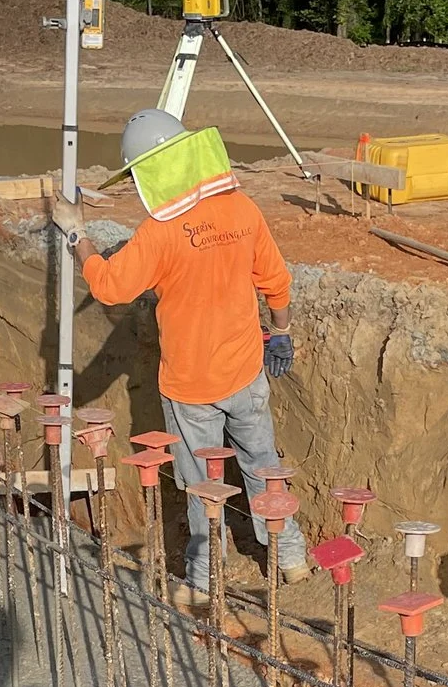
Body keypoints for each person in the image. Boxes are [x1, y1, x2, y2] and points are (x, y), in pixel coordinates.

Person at [65, 108, 303, 612]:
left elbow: (109, 286)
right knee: (264, 464)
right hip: (246, 372)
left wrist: (76, 235)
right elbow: (276, 282)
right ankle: (292, 556)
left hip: (191, 386)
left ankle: (202, 578)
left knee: (202, 487)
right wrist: (280, 332)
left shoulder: (159, 232)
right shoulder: (241, 209)